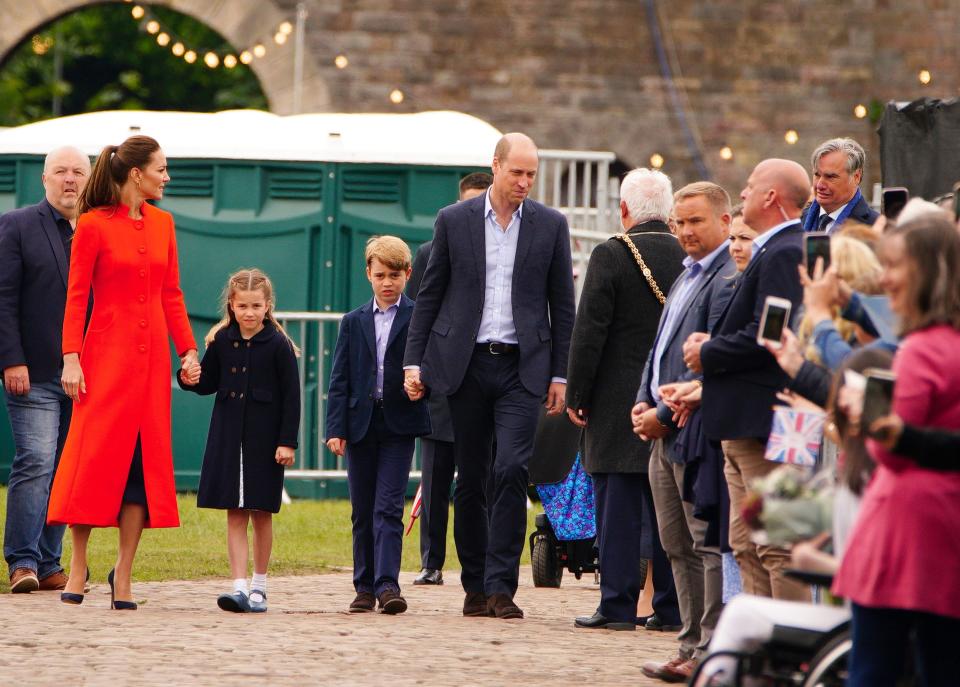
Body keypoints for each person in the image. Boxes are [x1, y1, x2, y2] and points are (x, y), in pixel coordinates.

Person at [402, 133, 575, 620]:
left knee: (512, 469)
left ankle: (503, 587)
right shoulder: (453, 221)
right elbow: (429, 297)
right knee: (471, 478)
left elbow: (563, 305)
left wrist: (561, 373)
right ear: (494, 166)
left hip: (524, 366)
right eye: (516, 172)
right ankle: (474, 585)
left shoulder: (550, 225)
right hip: (466, 364)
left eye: (531, 174)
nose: (524, 182)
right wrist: (414, 362)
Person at [47, 135, 199, 609]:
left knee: (139, 469)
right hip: (103, 360)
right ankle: (76, 566)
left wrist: (188, 351)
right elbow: (75, 297)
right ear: (137, 173)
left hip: (151, 364)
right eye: (162, 168)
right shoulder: (91, 226)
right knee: (92, 461)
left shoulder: (164, 224)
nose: (167, 177)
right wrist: (71, 356)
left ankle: (125, 574)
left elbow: (171, 294)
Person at [833, 214, 960, 686]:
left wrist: (862, 410)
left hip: (906, 531)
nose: (884, 279)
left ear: (926, 272)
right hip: (949, 528)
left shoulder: (922, 350)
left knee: (874, 670)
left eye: (894, 266)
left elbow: (891, 450)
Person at [683, 158, 811, 601]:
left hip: (762, 422)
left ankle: (788, 652)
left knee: (774, 544)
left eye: (751, 185)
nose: (743, 193)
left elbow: (769, 336)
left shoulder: (785, 250)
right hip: (740, 423)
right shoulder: (772, 251)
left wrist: (709, 351)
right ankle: (756, 654)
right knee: (746, 546)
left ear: (771, 196)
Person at [565, 168, 685, 633]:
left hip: (617, 400)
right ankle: (671, 608)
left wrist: (578, 392)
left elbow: (589, 331)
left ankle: (616, 605)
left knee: (616, 508)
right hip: (669, 397)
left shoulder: (612, 254)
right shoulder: (688, 255)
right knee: (667, 510)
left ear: (624, 209)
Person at [633, 181, 736, 681]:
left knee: (703, 543)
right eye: (679, 222)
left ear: (724, 221)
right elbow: (659, 350)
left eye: (696, 221)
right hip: (660, 430)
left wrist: (665, 414)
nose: (686, 231)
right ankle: (689, 644)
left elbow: (709, 364)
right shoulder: (683, 275)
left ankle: (710, 650)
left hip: (691, 431)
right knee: (673, 543)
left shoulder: (726, 279)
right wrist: (640, 401)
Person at [177, 268, 300, 613]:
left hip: (265, 442)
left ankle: (260, 585)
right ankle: (239, 586)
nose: (249, 312)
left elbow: (292, 397)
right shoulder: (221, 342)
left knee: (262, 513)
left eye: (256, 305)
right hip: (229, 439)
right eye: (243, 305)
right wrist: (188, 376)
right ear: (231, 304)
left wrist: (287, 441)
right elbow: (206, 383)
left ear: (267, 305)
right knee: (235, 513)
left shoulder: (278, 345)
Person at [0, 146, 90, 593]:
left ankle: (51, 561)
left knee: (65, 466)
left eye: (78, 171)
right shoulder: (16, 225)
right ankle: (22, 562)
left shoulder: (97, 228)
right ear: (44, 179)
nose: (69, 179)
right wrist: (10, 358)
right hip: (32, 370)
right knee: (35, 461)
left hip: (87, 375)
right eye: (61, 171)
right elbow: (3, 297)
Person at [326, 236, 431, 615]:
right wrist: (335, 427)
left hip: (399, 424)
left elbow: (431, 364)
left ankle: (388, 584)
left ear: (408, 274)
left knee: (388, 506)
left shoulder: (419, 317)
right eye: (380, 275)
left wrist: (423, 384)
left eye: (395, 276)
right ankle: (364, 586)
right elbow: (340, 378)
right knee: (362, 507)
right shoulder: (353, 322)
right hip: (360, 424)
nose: (387, 283)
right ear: (368, 274)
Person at [408, 171, 492, 587]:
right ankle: (431, 561)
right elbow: (420, 312)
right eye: (467, 204)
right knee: (436, 475)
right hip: (443, 380)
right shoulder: (430, 251)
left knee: (481, 479)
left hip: (487, 381)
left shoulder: (502, 252)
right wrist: (421, 369)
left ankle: (483, 563)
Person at [801, 138, 879, 233]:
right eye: (817, 175)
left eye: (830, 177)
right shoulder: (798, 221)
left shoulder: (875, 228)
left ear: (856, 177)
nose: (820, 185)